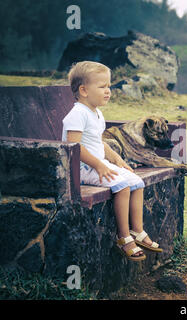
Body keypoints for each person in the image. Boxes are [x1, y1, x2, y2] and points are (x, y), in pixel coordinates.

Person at [62, 61, 163, 262]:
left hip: (97, 164)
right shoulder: (77, 114)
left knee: (137, 181)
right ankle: (123, 237)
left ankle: (137, 231)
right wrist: (99, 165)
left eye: (109, 86)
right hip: (80, 168)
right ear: (83, 90)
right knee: (123, 186)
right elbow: (74, 148)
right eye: (102, 87)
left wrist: (116, 159)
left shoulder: (96, 112)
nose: (108, 91)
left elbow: (97, 142)